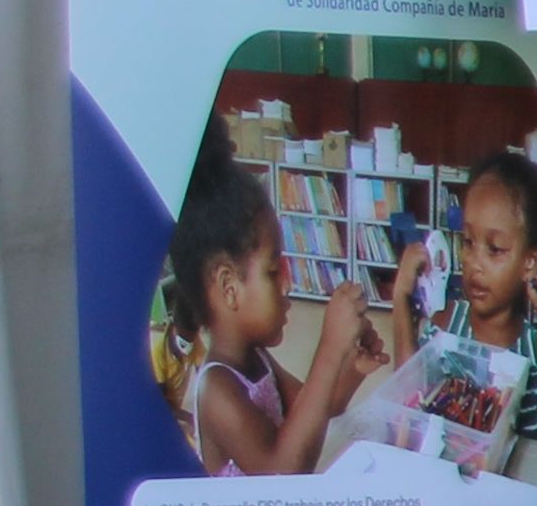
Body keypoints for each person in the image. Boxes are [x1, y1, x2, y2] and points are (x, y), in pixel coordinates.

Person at [340, 149, 537, 476]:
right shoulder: (446, 325)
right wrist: (401, 297)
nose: (474, 262)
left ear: (529, 262)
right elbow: (409, 391)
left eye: (495, 249)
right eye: (468, 242)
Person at [157, 153, 386, 476]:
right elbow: (281, 475)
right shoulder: (217, 389)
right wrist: (329, 349)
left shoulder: (257, 359)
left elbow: (318, 408)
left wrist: (349, 368)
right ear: (229, 288)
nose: (287, 285)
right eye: (272, 271)